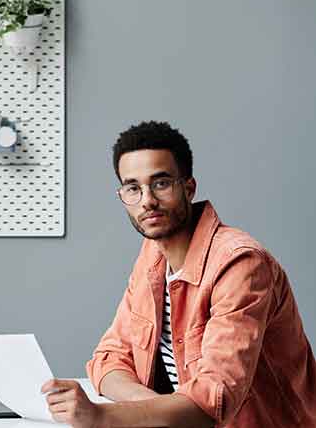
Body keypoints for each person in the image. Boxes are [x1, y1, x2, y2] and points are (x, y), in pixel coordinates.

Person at [42, 121, 316, 428]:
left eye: (160, 183)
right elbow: (109, 358)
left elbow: (213, 400)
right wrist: (152, 407)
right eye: (133, 188)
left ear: (188, 187)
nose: (147, 200)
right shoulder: (152, 256)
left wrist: (104, 416)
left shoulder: (240, 263)